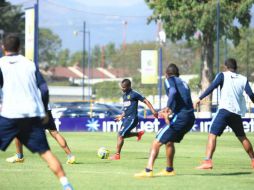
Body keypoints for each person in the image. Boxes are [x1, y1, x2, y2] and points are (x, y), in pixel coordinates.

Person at [0, 34, 73, 190]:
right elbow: (44, 89)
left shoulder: (0, 64)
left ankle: (19, 156)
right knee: (46, 153)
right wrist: (44, 110)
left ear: (3, 47)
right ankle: (66, 185)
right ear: (19, 48)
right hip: (33, 114)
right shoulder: (30, 64)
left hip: (10, 114)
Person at [134, 63, 195, 177]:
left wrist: (167, 107)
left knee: (156, 142)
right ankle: (169, 169)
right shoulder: (184, 83)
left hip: (181, 117)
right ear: (178, 74)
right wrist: (171, 110)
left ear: (166, 74)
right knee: (169, 141)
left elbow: (173, 92)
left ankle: (148, 170)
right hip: (190, 117)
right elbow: (183, 102)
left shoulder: (169, 80)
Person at [195, 58, 254, 170]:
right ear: (236, 68)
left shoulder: (223, 75)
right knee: (242, 137)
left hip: (224, 111)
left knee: (212, 135)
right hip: (236, 113)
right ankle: (253, 160)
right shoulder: (243, 79)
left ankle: (207, 161)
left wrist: (199, 99)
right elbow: (251, 94)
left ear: (226, 67)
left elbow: (211, 87)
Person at [109, 78, 158, 160]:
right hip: (126, 118)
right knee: (121, 135)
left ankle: (117, 155)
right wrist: (122, 115)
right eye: (122, 87)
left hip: (132, 119)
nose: (122, 88)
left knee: (121, 135)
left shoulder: (134, 94)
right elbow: (127, 108)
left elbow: (145, 100)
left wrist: (153, 111)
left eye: (124, 87)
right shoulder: (124, 95)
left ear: (129, 86)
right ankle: (137, 134)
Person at [6, 109, 76, 164]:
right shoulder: (44, 90)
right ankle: (70, 156)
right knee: (55, 133)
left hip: (35, 112)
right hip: (46, 111)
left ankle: (19, 156)